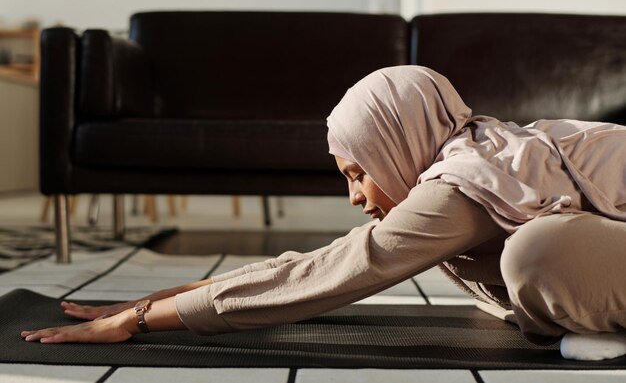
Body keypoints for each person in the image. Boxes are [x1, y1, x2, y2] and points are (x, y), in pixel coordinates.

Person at [22, 66, 626, 361]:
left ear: (399, 139)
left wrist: (142, 323)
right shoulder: (481, 164)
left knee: (536, 254)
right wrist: (166, 296)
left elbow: (337, 273)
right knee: (518, 257)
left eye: (358, 171)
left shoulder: (470, 181)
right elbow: (321, 261)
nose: (356, 196)